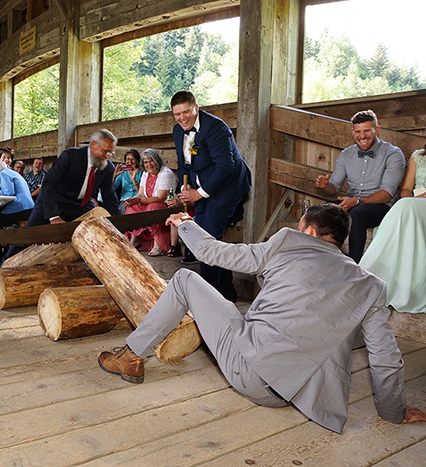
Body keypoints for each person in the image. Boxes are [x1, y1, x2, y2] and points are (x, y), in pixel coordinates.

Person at [98, 203, 426, 433]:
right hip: (292, 396)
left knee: (185, 280)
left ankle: (130, 357)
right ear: (339, 241)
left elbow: (212, 252)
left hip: (248, 370)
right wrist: (393, 413)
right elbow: (386, 358)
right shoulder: (371, 285)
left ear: (308, 230)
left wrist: (185, 223)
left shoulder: (287, 242)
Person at [172, 90, 251, 302]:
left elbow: (226, 167)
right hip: (204, 186)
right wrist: (184, 189)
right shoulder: (179, 131)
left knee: (204, 238)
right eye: (177, 114)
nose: (182, 118)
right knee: (208, 236)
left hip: (228, 186)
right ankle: (226, 292)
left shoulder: (216, 128)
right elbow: (183, 164)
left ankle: (207, 296)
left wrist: (199, 193)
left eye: (186, 112)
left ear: (195, 108)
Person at [3, 130, 120, 259]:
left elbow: (109, 197)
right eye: (105, 151)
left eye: (110, 152)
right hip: (54, 200)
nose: (107, 156)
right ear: (93, 146)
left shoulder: (108, 168)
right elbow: (49, 185)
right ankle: (6, 263)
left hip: (79, 204)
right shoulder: (71, 156)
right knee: (30, 233)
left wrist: (118, 223)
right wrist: (53, 216)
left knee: (97, 227)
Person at [316, 110, 405, 263]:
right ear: (353, 132)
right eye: (358, 132)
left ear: (377, 130)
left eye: (367, 131)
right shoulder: (346, 154)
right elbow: (334, 189)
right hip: (352, 204)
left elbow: (387, 194)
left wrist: (357, 201)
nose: (362, 136)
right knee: (319, 211)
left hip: (380, 206)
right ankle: (321, 260)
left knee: (357, 214)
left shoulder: (393, 154)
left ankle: (355, 265)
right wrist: (325, 186)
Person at [360, 144, 426, 314]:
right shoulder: (418, 156)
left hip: (415, 208)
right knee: (405, 204)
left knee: (406, 207)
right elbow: (405, 190)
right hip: (415, 202)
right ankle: (368, 279)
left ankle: (368, 276)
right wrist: (416, 197)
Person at [124, 149, 176, 256]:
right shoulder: (145, 174)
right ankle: (135, 240)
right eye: (146, 162)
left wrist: (140, 200)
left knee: (153, 207)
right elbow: (141, 194)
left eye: (151, 161)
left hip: (166, 206)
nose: (149, 164)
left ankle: (158, 244)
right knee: (132, 207)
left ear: (156, 161)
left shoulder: (166, 173)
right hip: (149, 203)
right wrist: (134, 199)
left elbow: (160, 198)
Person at [0, 159, 34, 229]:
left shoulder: (3, 173)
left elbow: (9, 192)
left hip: (21, 208)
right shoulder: (12, 172)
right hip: (29, 207)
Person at [113, 149, 143, 215]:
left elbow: (141, 193)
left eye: (133, 159)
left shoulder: (141, 173)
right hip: (124, 201)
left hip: (137, 200)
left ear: (137, 161)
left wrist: (133, 179)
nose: (130, 162)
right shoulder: (123, 173)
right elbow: (112, 188)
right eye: (128, 159)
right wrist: (114, 177)